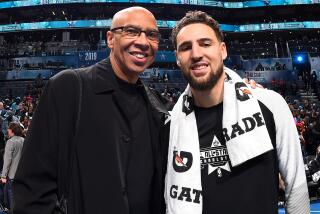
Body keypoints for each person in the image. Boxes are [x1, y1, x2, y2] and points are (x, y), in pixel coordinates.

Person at [13, 6, 171, 214]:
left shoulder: (158, 107)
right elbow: (32, 189)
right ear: (110, 39)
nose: (142, 42)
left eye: (151, 35)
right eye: (131, 31)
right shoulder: (69, 87)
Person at [164, 11, 310, 214]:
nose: (196, 54)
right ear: (178, 59)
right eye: (186, 47)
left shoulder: (270, 105)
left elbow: (297, 187)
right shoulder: (172, 125)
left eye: (205, 44)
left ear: (223, 50)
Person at [1, 122, 24, 210]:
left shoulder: (10, 142)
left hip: (12, 175)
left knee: (11, 198)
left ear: (12, 130)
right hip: (22, 173)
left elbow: (7, 160)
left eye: (9, 129)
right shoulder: (23, 140)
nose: (7, 130)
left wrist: (3, 175)